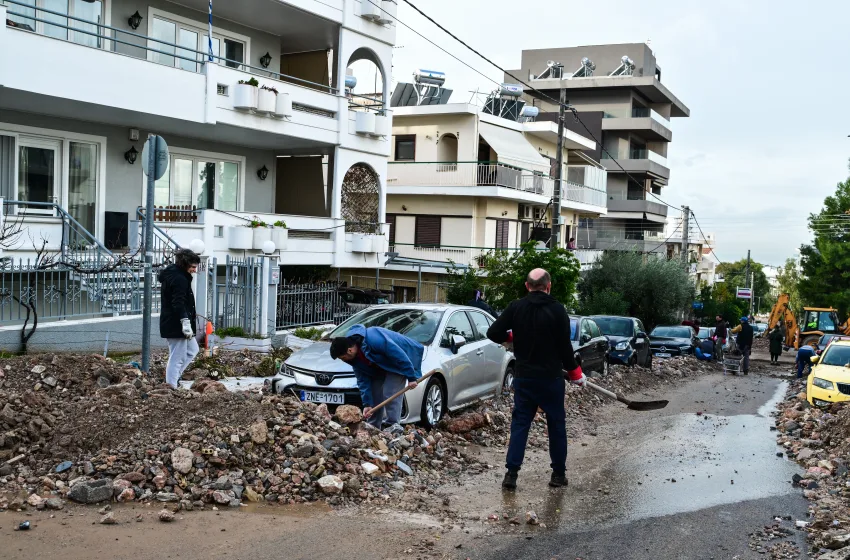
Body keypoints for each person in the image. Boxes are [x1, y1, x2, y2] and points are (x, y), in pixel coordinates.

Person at [487, 268, 585, 490]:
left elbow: (493, 333)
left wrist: (510, 337)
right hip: (551, 378)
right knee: (556, 425)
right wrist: (575, 373)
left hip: (524, 378)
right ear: (548, 286)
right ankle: (558, 475)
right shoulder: (558, 310)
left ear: (527, 285)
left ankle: (511, 475)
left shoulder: (516, 307)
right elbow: (564, 346)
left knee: (520, 424)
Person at [329, 325, 423, 434]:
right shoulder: (354, 360)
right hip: (381, 366)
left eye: (342, 358)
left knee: (390, 392)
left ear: (349, 350)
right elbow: (363, 382)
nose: (343, 361)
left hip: (400, 361)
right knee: (374, 394)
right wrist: (367, 404)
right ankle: (372, 428)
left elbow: (398, 354)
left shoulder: (373, 339)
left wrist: (411, 377)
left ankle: (393, 426)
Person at [159, 248, 201, 389]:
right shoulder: (179, 279)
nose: (195, 270)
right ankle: (171, 386)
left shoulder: (175, 273)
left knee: (192, 350)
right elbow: (178, 302)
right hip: (175, 323)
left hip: (174, 321)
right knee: (177, 357)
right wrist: (185, 322)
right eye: (193, 267)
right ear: (185, 265)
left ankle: (174, 378)